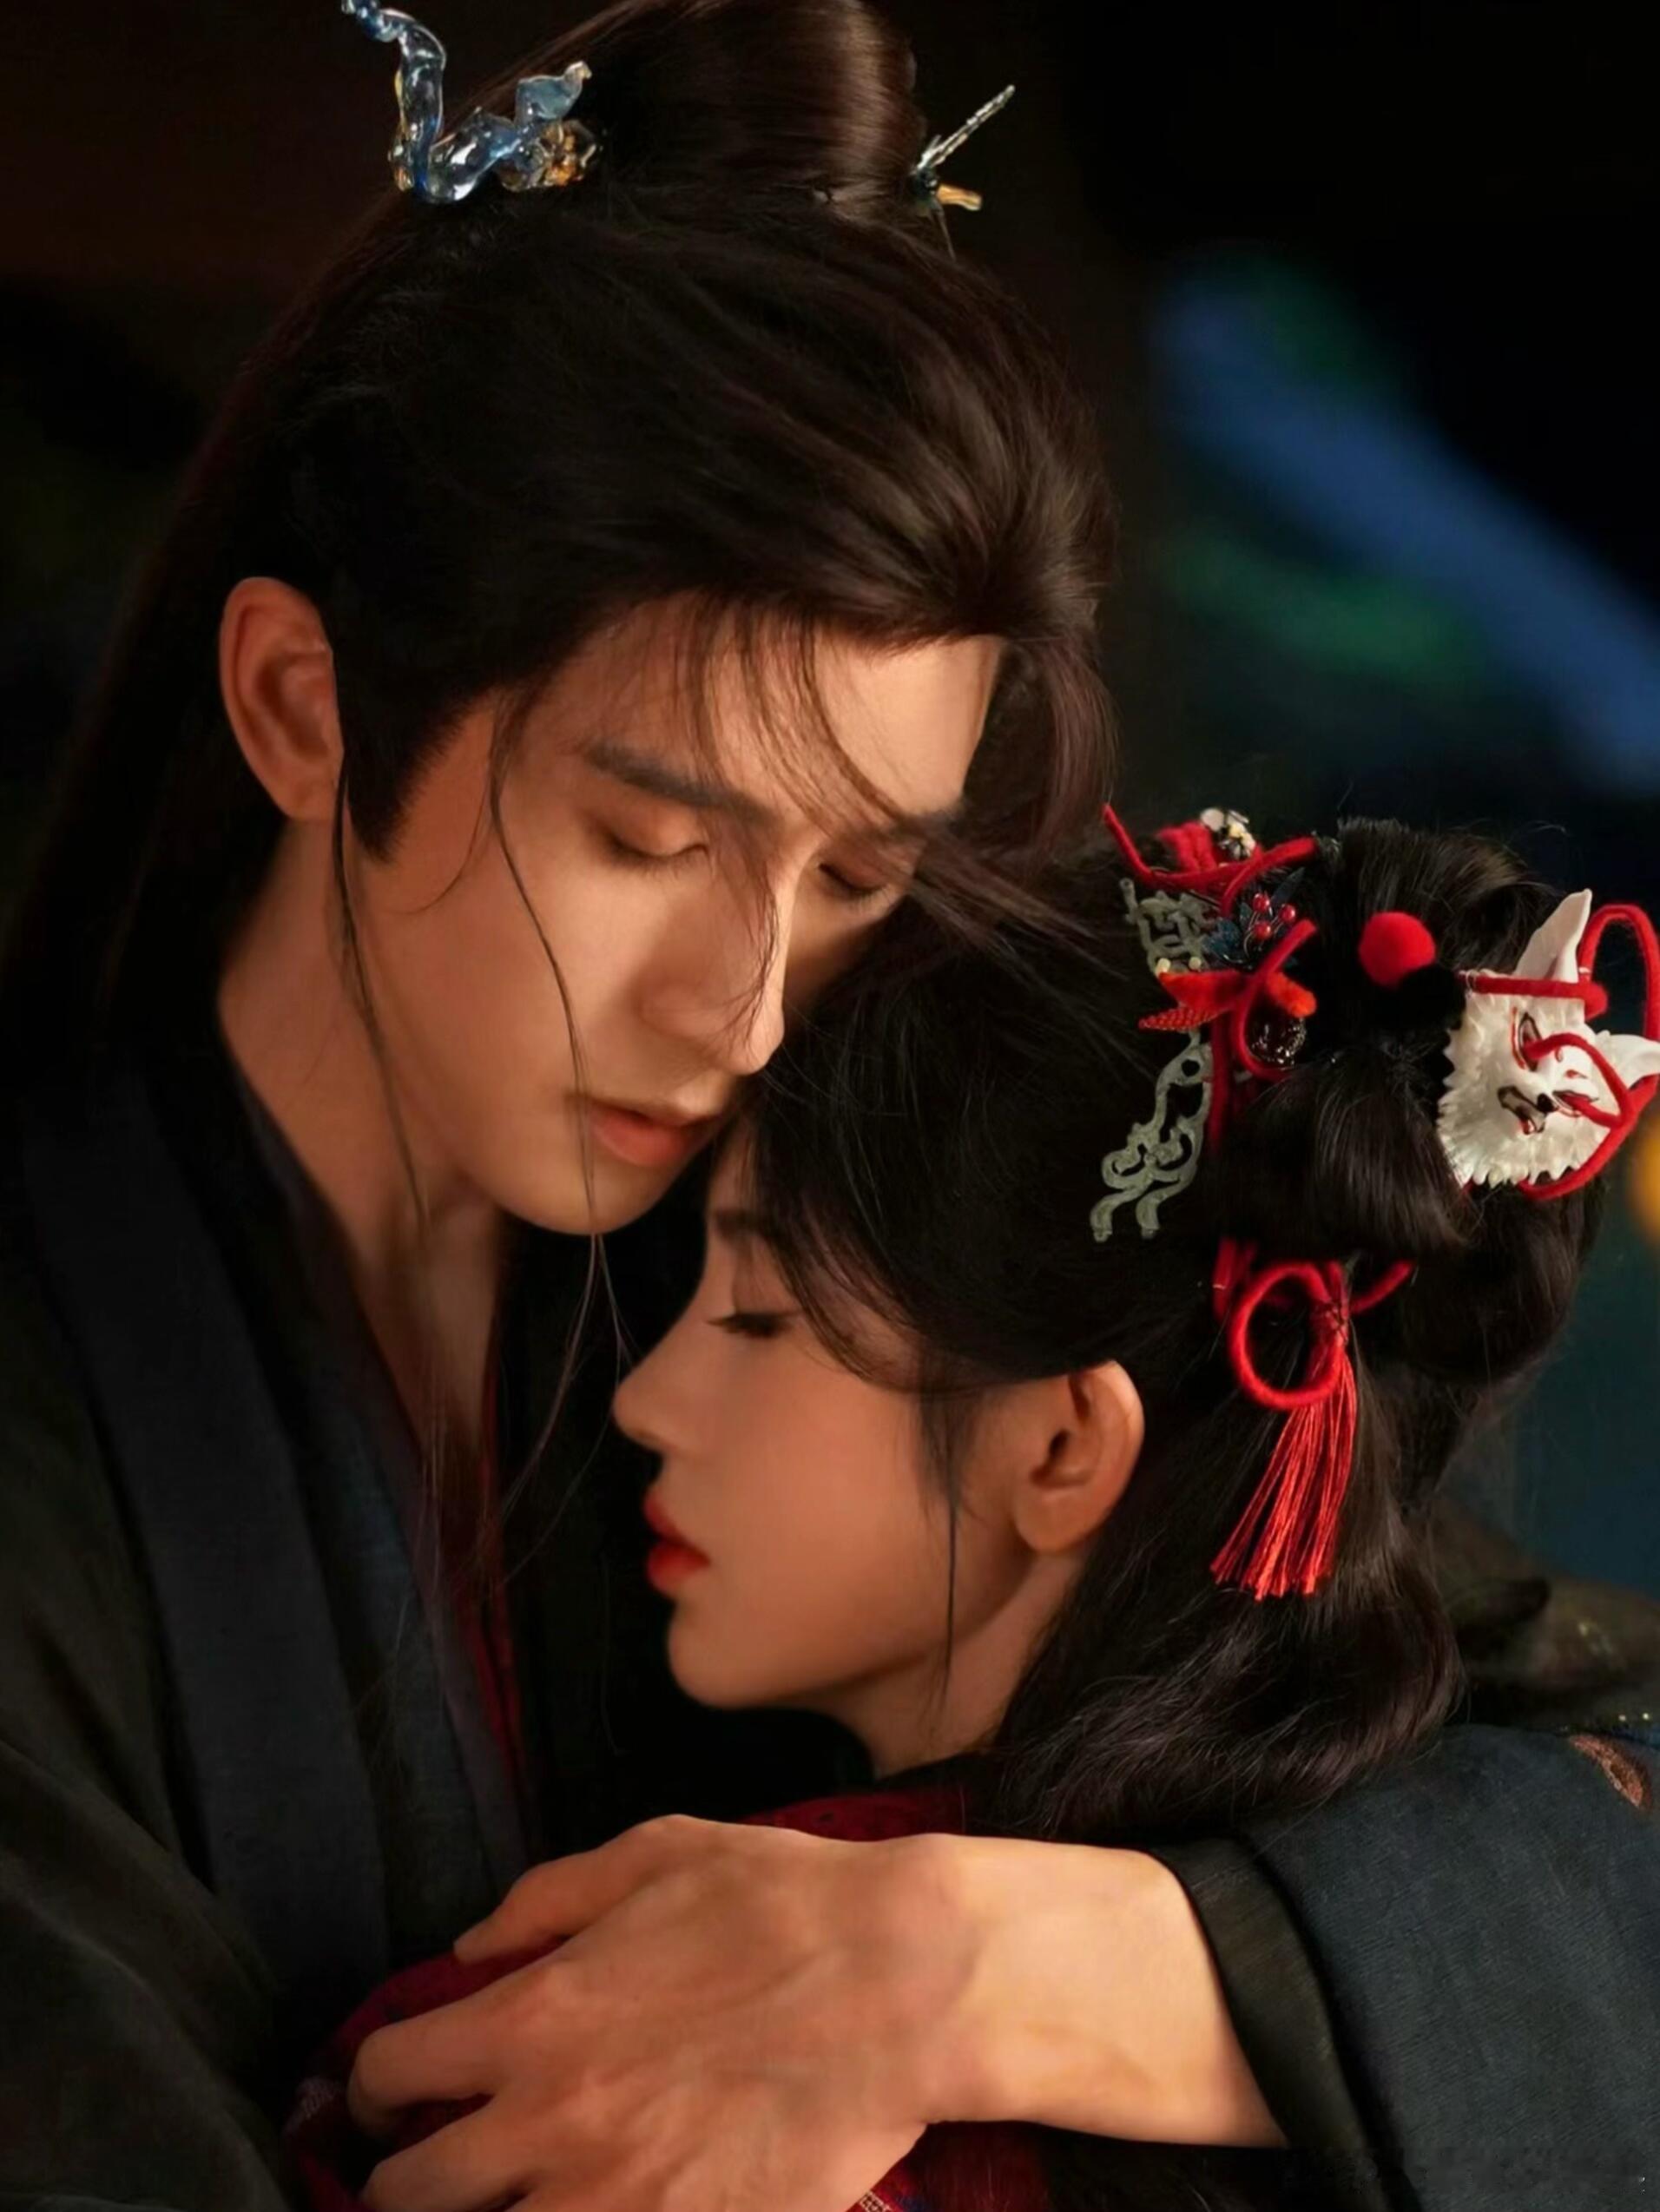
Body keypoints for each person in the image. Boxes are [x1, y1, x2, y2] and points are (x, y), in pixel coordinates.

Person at [0, 2, 1654, 2208]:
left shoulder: (871, 1223)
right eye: (645, 839)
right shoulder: (51, 1416)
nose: (750, 1006)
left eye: (860, 872)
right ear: (305, 707)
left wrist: (994, 1966)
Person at [286, 806, 1660, 2212]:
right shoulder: (1454, 1907)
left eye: (756, 1318)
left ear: (1060, 1448)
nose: (643, 1401)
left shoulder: (643, 2054)